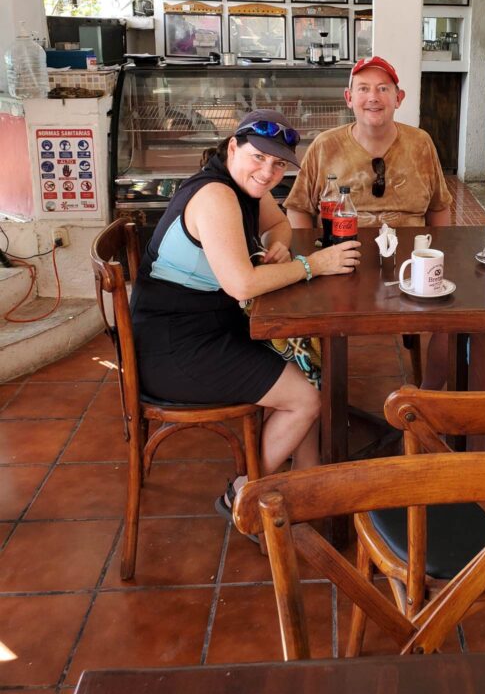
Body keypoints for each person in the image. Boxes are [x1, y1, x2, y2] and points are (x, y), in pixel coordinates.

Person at [129, 108, 361, 522]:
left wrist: (280, 246)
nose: (267, 171)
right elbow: (242, 285)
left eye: (277, 164)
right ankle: (242, 494)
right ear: (233, 147)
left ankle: (304, 485)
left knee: (307, 367)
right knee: (304, 400)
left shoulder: (245, 185)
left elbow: (281, 224)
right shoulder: (216, 196)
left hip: (209, 326)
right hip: (175, 348)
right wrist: (314, 265)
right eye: (259, 157)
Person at [284, 55, 452, 229]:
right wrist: (312, 254)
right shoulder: (325, 145)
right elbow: (298, 208)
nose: (373, 97)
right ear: (349, 98)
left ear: (398, 98)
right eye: (363, 89)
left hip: (409, 253)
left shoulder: (420, 143)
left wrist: (436, 252)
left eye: (383, 89)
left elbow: (438, 208)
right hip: (339, 250)